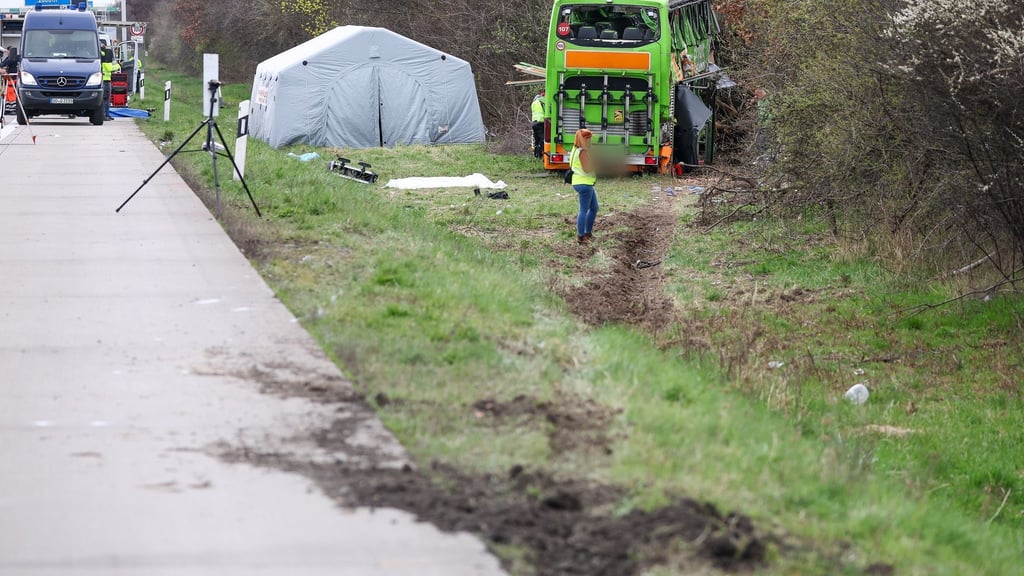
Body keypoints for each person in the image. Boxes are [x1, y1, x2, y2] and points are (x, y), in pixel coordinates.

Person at [569, 128, 598, 244]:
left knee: (594, 208)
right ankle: (581, 236)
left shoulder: (575, 149)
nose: (590, 141)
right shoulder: (582, 152)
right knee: (584, 210)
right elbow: (586, 169)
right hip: (584, 183)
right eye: (589, 139)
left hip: (580, 181)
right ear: (585, 139)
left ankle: (587, 233)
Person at [100, 40, 119, 121]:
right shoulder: (105, 60)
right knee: (105, 99)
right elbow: (110, 68)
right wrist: (119, 65)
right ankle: (105, 115)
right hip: (105, 82)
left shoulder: (102, 55)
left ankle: (107, 114)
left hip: (106, 81)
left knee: (106, 99)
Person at [531, 91, 545, 158]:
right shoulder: (541, 102)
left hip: (534, 123)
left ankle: (536, 154)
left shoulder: (533, 103)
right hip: (541, 122)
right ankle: (541, 153)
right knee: (542, 139)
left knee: (536, 139)